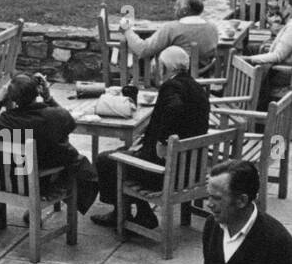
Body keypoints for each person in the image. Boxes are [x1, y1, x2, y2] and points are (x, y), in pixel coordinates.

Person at [89, 45, 210, 230]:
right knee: (124, 153)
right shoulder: (197, 88)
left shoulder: (172, 87)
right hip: (192, 170)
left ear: (164, 67)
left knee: (105, 160)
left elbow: (174, 107)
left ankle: (121, 214)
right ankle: (143, 213)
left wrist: (161, 141)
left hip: (165, 174)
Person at [0, 72, 99, 214]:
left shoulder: (5, 121)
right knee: (73, 160)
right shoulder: (54, 116)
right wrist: (48, 98)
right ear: (37, 92)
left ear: (12, 97)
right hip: (42, 181)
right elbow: (69, 122)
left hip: (10, 179)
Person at [119, 0, 219, 77]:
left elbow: (142, 49)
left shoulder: (172, 28)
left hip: (172, 76)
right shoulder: (213, 27)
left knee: (146, 58)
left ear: (184, 10)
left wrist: (127, 30)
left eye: (177, 5)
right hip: (202, 72)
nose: (174, 7)